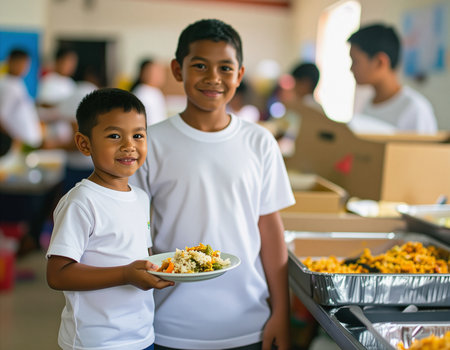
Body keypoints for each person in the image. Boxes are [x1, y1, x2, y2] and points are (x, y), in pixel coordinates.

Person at [131, 18, 295, 350]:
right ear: (178, 70)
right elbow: (134, 228)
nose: (213, 78)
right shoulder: (151, 142)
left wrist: (281, 311)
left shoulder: (259, 141)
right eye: (200, 65)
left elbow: (270, 229)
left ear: (240, 74)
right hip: (168, 325)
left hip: (249, 323)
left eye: (225, 67)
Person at [46, 88, 174, 350]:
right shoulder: (81, 201)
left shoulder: (140, 197)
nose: (129, 145)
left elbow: (142, 255)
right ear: (84, 144)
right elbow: (57, 275)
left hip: (140, 336)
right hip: (95, 342)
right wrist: (126, 274)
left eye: (138, 135)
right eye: (115, 136)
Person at [347, 23, 438, 134]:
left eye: (355, 61)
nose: (351, 68)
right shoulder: (368, 104)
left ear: (380, 62)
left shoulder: (415, 109)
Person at [0, 48, 43, 154]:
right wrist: (15, 140)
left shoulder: (18, 83)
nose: (23, 67)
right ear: (10, 61)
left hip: (27, 144)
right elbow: (1, 117)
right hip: (16, 146)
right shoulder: (7, 85)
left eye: (26, 64)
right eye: (20, 63)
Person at [131, 58, 168, 125]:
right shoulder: (143, 93)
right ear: (144, 73)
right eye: (155, 72)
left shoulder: (155, 91)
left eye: (160, 72)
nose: (160, 75)